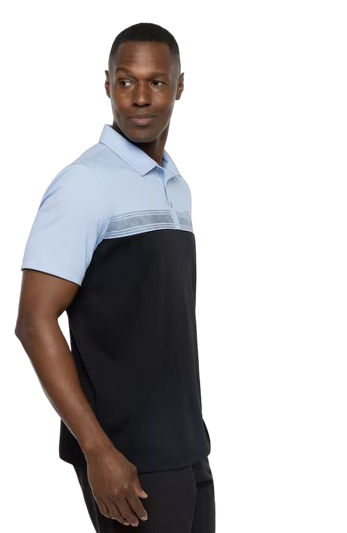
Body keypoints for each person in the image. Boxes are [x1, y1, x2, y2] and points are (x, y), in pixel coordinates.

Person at [14, 20, 216, 532]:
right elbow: (34, 321)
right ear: (107, 86)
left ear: (180, 88)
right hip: (128, 456)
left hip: (186, 448)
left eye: (156, 82)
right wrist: (97, 450)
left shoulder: (177, 185)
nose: (141, 98)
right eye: (126, 81)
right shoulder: (82, 184)